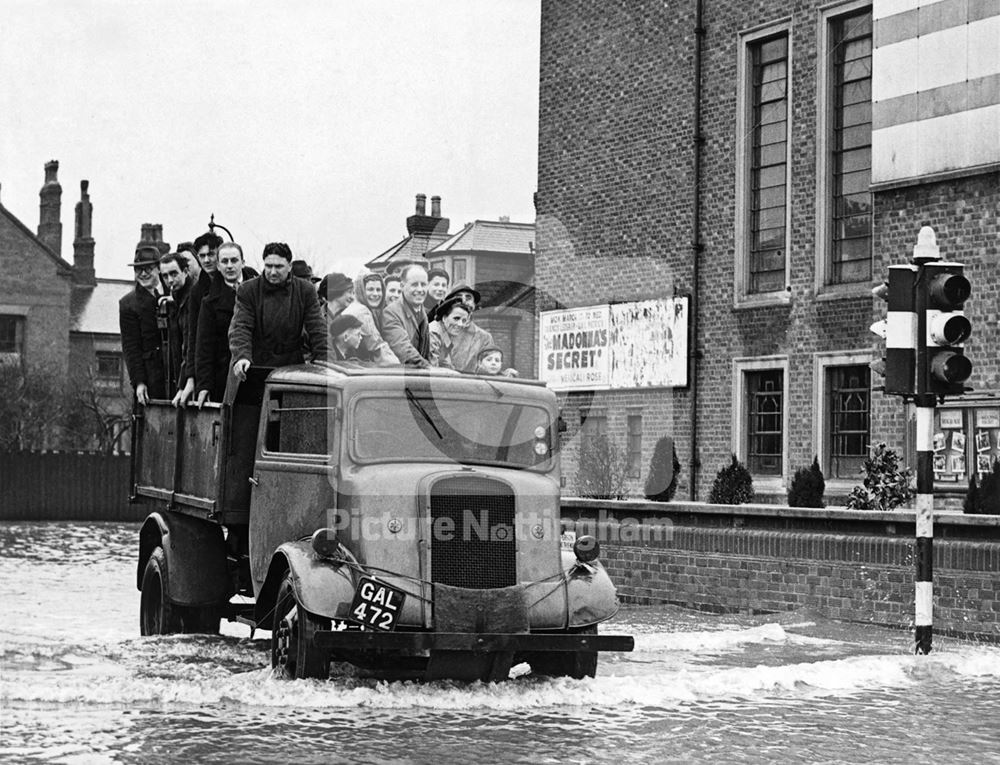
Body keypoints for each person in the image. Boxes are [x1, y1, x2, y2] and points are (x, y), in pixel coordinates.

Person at [229, 242, 329, 382]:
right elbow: (240, 327)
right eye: (268, 266)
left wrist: (324, 362)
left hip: (292, 367)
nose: (273, 272)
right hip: (256, 366)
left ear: (289, 266)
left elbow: (318, 329)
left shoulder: (305, 290)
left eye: (279, 266)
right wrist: (242, 357)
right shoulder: (248, 290)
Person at [193, 242, 257, 405]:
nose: (229, 266)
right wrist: (204, 386)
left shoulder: (259, 292)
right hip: (224, 377)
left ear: (243, 263)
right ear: (218, 266)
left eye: (234, 260)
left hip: (256, 370)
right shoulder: (209, 302)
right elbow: (204, 347)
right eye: (224, 262)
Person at [119, 246, 167, 405]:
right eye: (138, 269)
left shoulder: (173, 291)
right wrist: (139, 382)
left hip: (176, 372)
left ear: (159, 268)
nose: (143, 273)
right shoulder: (128, 304)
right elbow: (131, 347)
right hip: (151, 376)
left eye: (148, 268)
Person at [157, 251, 194, 400]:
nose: (170, 280)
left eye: (174, 274)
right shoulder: (177, 297)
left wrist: (183, 384)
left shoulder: (193, 297)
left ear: (185, 272)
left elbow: (189, 343)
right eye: (165, 276)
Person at [381, 263, 431, 367]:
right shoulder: (391, 313)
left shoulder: (422, 313)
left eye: (423, 284)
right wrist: (429, 368)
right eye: (414, 284)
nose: (420, 290)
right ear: (402, 286)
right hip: (401, 377)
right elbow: (404, 351)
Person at [438, 283, 496, 373]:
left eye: (468, 298)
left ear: (474, 304)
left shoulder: (485, 338)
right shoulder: (438, 331)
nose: (464, 300)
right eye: (458, 297)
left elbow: (490, 368)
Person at [428, 295, 472, 370]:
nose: (460, 324)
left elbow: (446, 364)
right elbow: (432, 368)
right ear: (444, 318)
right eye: (456, 318)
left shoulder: (444, 333)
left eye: (464, 321)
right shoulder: (433, 333)